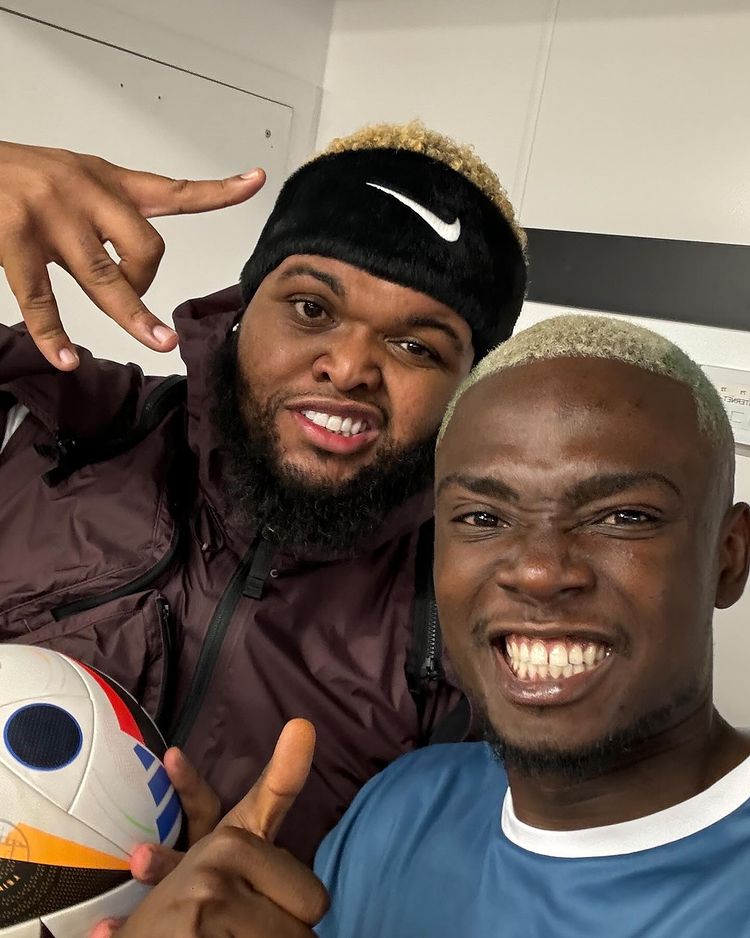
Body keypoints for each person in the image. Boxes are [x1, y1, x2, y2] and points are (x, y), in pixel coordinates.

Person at [116, 314, 750, 937]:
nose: (537, 572)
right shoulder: (403, 803)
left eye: (624, 517)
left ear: (730, 557)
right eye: (482, 518)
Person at [0, 122, 528, 863]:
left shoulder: (468, 624)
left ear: (468, 390)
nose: (349, 367)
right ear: (242, 309)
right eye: (312, 308)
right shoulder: (52, 422)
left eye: (416, 345)